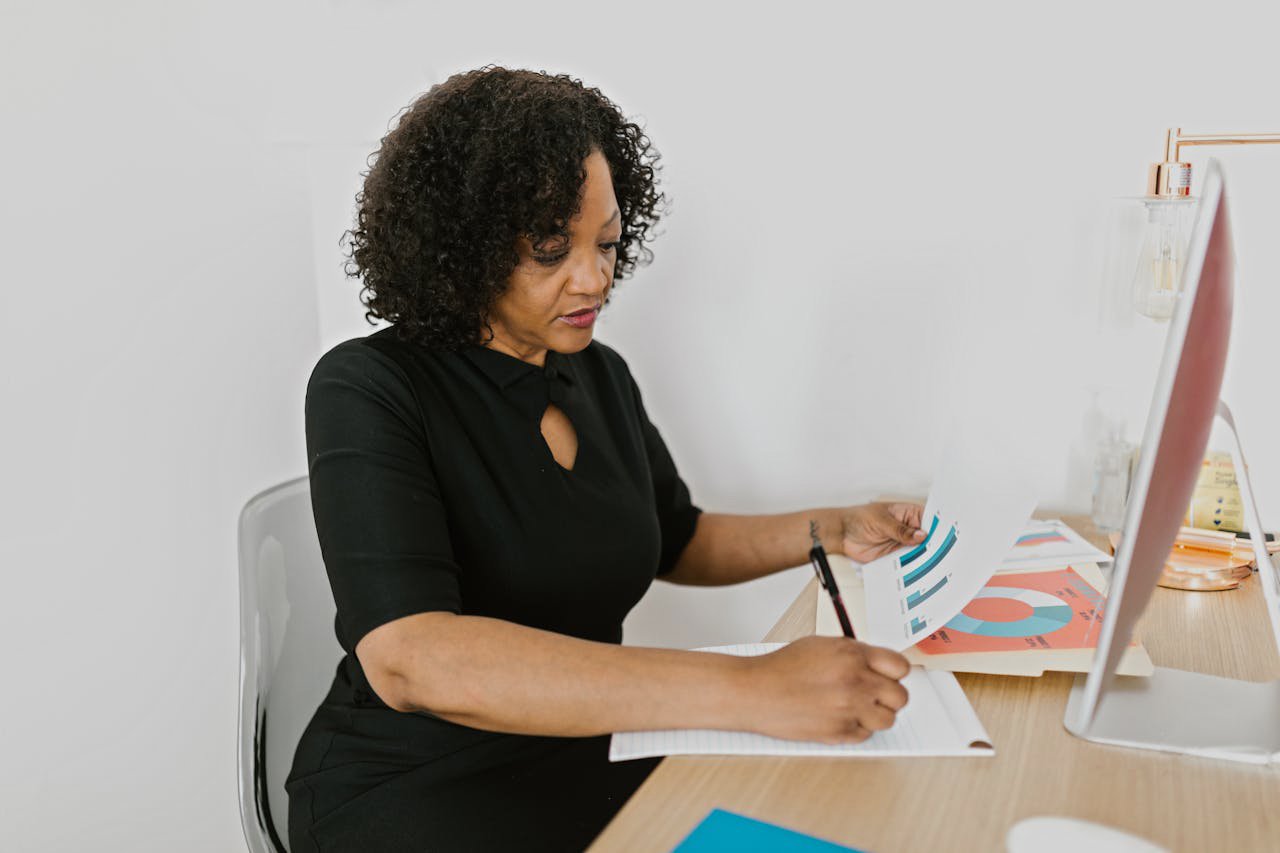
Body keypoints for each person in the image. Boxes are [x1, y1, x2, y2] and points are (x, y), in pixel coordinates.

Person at [287, 66, 926, 853]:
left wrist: (835, 528)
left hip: (589, 746)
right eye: (550, 248)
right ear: (465, 246)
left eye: (608, 243)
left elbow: (678, 537)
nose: (594, 278)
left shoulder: (597, 373)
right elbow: (412, 659)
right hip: (420, 785)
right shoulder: (368, 385)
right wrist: (748, 687)